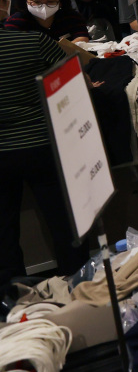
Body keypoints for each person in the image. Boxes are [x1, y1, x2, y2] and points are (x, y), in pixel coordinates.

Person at [0, 27, 90, 289]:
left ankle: (14, 300)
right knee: (65, 224)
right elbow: (75, 80)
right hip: (42, 144)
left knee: (3, 233)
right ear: (4, 2)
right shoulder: (33, 39)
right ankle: (80, 289)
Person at [4, 0, 90, 42]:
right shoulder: (15, 22)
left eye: (51, 1)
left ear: (60, 1)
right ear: (25, 1)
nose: (44, 6)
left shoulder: (71, 17)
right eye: (37, 2)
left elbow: (81, 37)